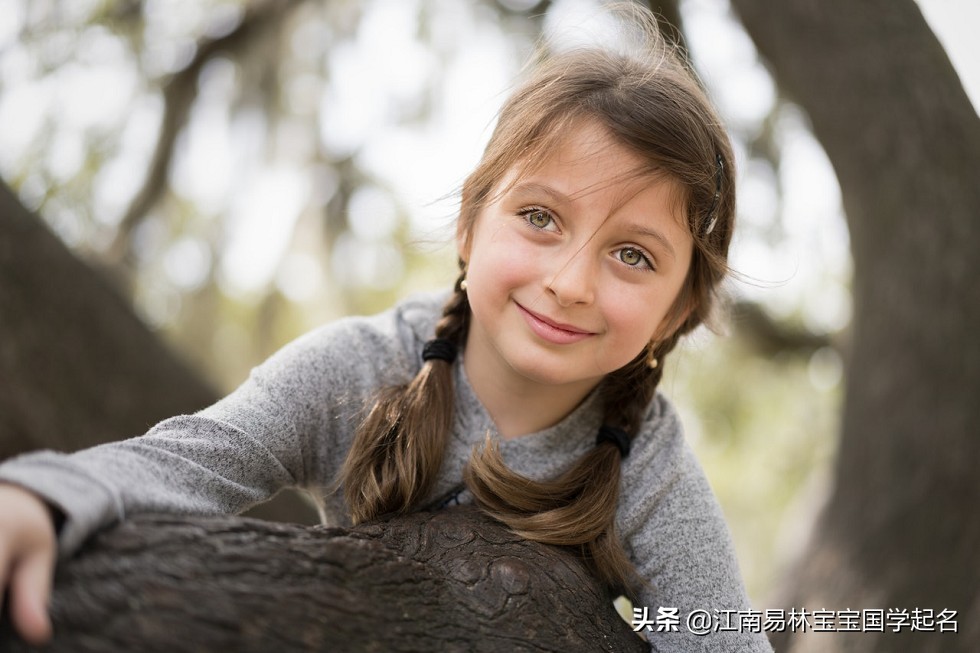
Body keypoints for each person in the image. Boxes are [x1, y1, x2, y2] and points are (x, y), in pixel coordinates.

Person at [0, 9, 773, 652]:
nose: (569, 281)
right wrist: (41, 495)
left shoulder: (650, 467)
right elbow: (184, 462)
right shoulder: (359, 368)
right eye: (540, 217)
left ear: (675, 312)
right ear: (471, 225)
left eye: (633, 254)